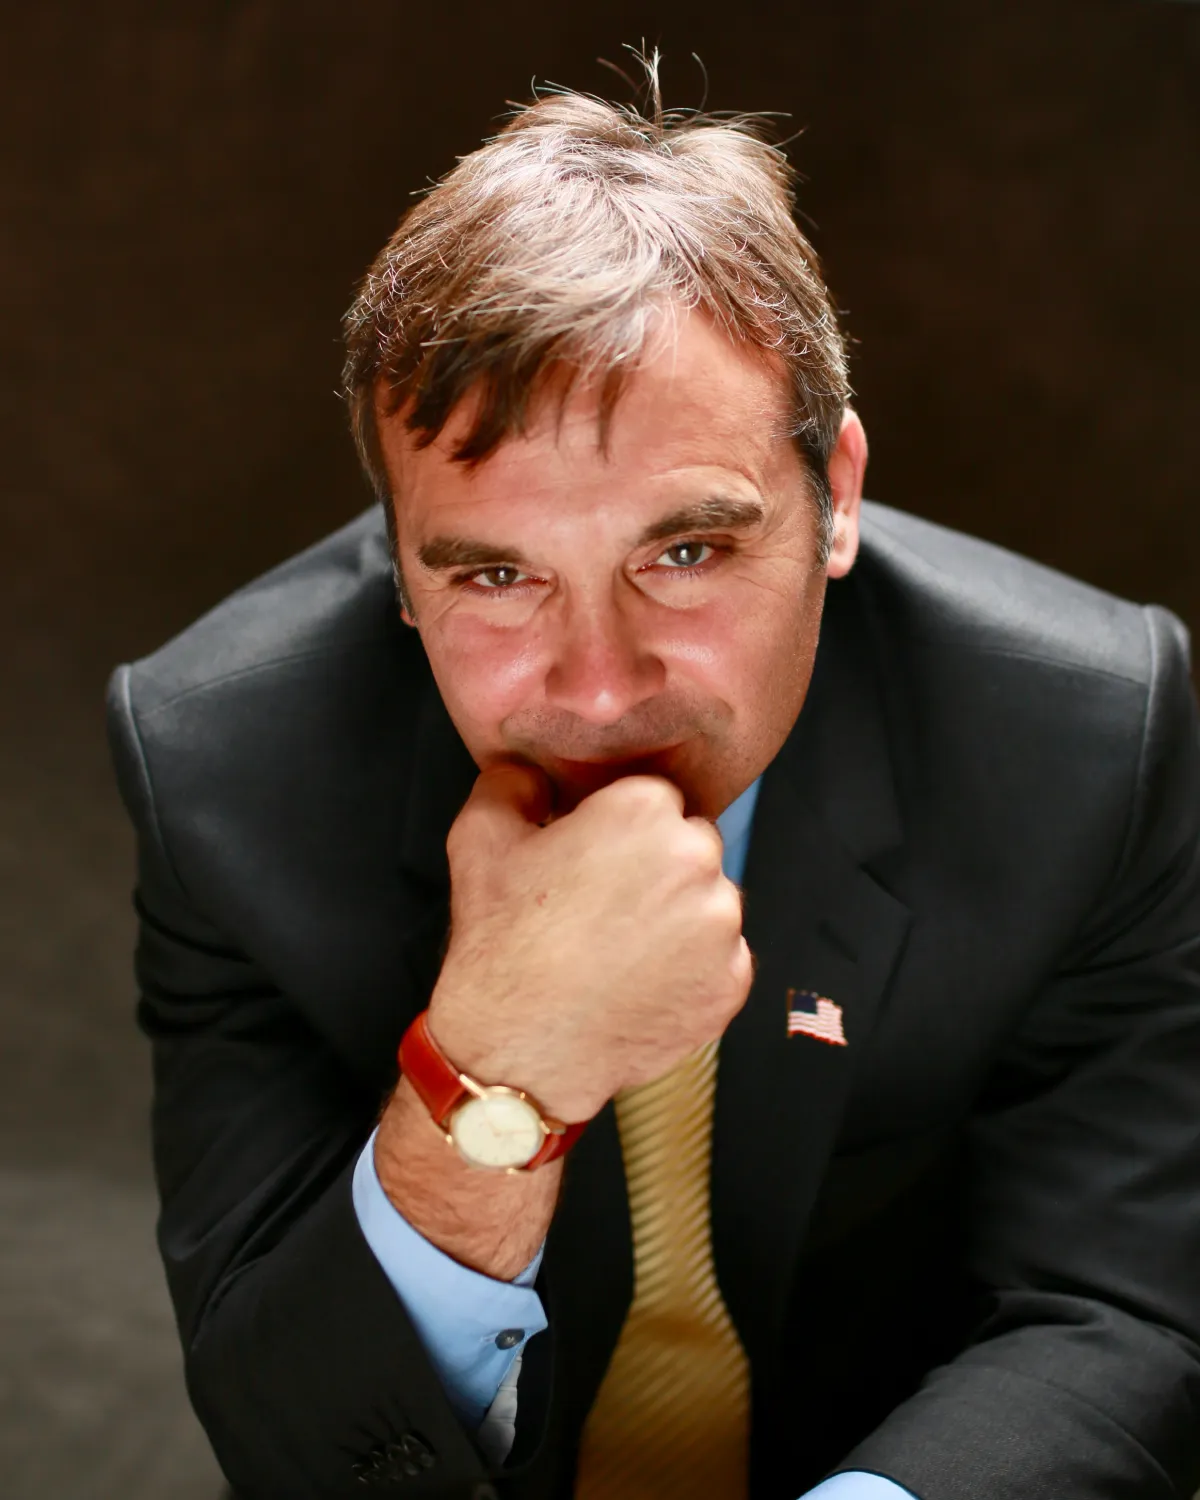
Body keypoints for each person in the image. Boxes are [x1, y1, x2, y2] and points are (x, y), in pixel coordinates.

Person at [106, 63, 1200, 1500]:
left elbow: (1122, 1315)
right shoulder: (221, 768)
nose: (601, 688)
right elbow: (302, 1438)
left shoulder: (1087, 733)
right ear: (398, 564)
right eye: (496, 574)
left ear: (839, 498)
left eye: (685, 552)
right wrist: (493, 1079)